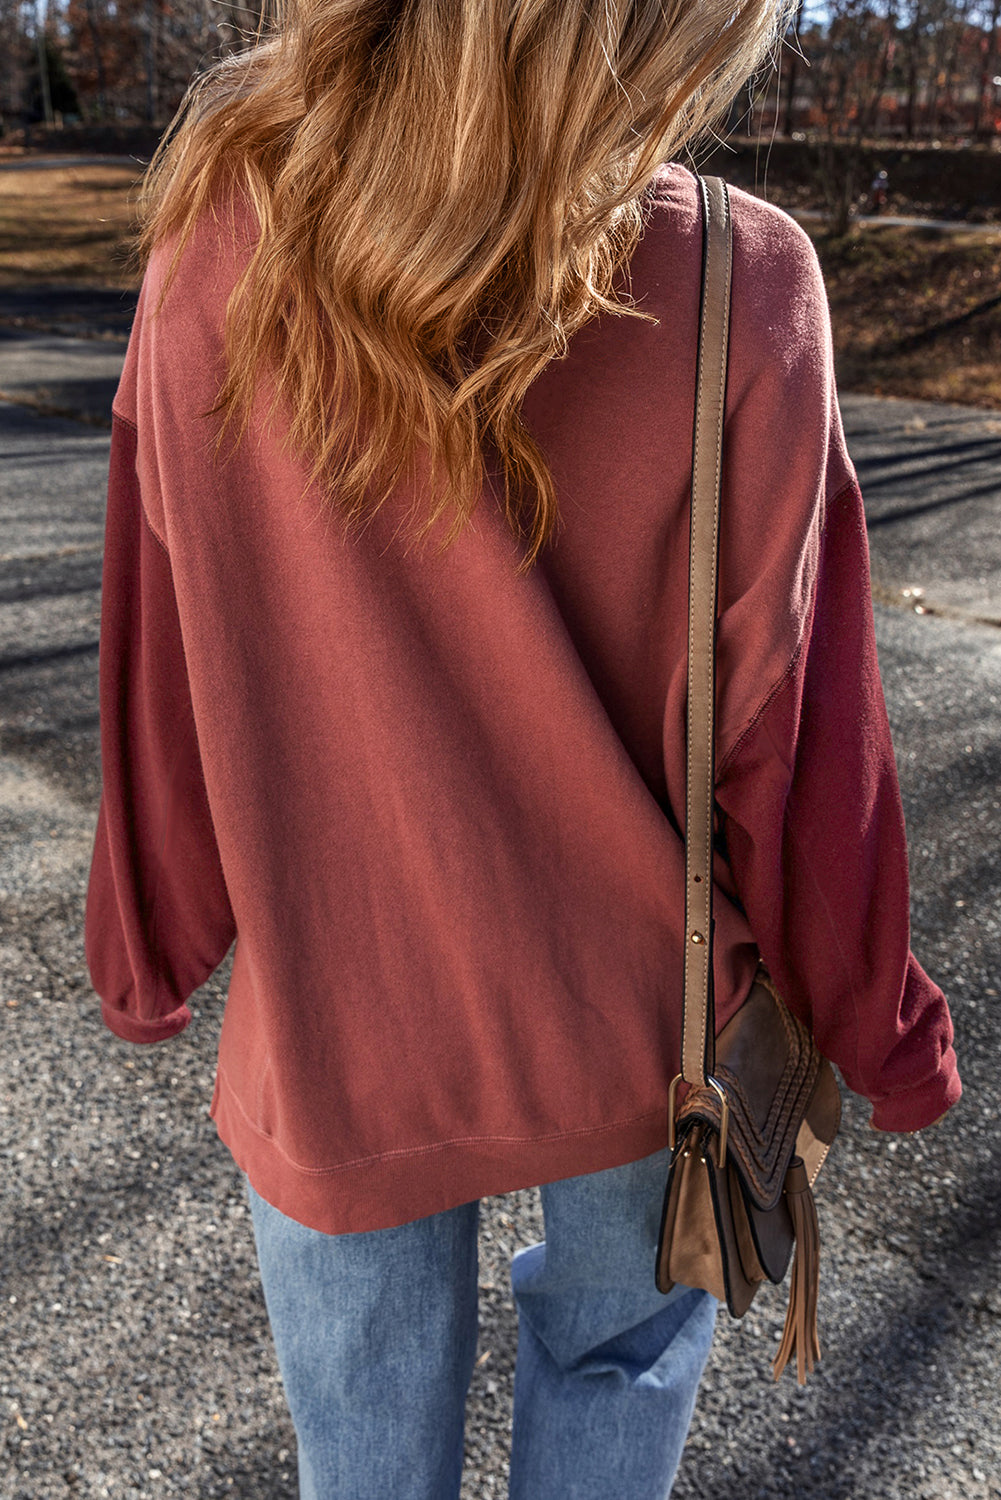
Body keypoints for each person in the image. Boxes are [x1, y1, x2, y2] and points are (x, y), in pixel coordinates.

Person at [84, 1, 961, 1496]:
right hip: (641, 1025)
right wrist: (873, 1019)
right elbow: (793, 737)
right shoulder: (739, 281)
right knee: (616, 1381)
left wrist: (149, 943)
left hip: (333, 1017)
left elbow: (167, 643)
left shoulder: (217, 240)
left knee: (358, 1454)